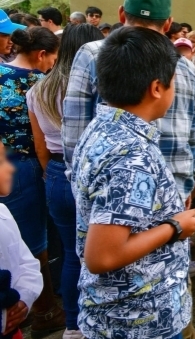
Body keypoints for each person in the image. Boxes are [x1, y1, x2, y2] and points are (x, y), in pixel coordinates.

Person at [62, 0, 195, 338]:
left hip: (123, 308)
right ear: (157, 87)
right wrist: (174, 227)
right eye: (172, 82)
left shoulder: (103, 127)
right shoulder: (132, 156)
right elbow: (103, 256)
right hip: (138, 317)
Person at [26, 24, 103, 339]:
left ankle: (73, 326)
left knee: (72, 254)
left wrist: (53, 174)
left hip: (57, 173)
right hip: (94, 172)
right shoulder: (94, 86)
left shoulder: (38, 90)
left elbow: (40, 146)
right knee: (101, 254)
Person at [0, 26, 62, 336]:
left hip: (2, 162)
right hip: (24, 167)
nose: (53, 64)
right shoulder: (39, 84)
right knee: (32, 242)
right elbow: (42, 143)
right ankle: (45, 311)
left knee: (7, 238)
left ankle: (11, 305)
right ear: (41, 54)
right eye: (52, 58)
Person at [0, 143, 43, 339]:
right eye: (1, 162)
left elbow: (27, 262)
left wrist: (24, 300)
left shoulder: (4, 214)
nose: (11, 168)